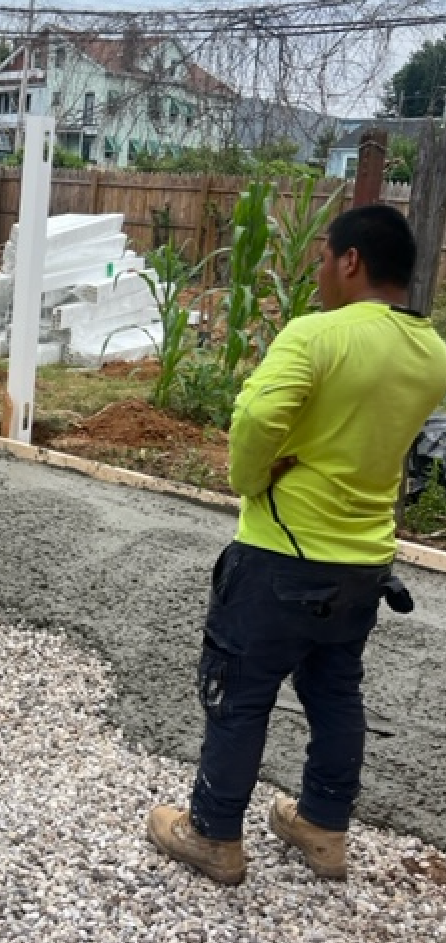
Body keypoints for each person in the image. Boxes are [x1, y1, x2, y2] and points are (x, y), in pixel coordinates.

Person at [147, 204, 446, 886]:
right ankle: (322, 828)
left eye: (321, 259)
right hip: (365, 561)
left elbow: (257, 414)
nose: (317, 273)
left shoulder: (317, 334)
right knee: (336, 693)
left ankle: (214, 834)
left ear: (350, 261)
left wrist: (251, 478)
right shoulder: (432, 350)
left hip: (281, 555)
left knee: (240, 694)